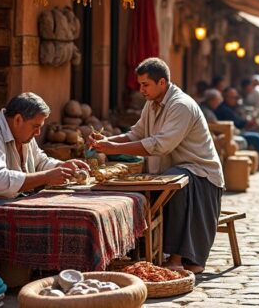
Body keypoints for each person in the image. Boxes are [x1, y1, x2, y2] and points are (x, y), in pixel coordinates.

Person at [88, 58, 224, 273]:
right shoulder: (151, 104)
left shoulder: (181, 105)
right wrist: (109, 143)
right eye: (140, 84)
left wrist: (115, 149)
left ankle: (177, 259)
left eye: (145, 84)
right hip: (173, 170)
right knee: (155, 184)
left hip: (201, 174)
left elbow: (160, 145)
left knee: (174, 181)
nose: (141, 89)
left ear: (162, 82)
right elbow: (136, 133)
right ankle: (142, 252)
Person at [0, 93, 90, 231]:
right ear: (17, 120)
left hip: (3, 201)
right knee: (38, 215)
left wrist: (61, 166)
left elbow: (40, 161)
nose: (38, 132)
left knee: (53, 205)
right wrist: (47, 176)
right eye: (35, 126)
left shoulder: (24, 135)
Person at [214, 87, 259, 167]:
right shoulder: (224, 109)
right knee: (256, 137)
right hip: (233, 134)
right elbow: (238, 124)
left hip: (238, 130)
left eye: (236, 97)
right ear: (226, 97)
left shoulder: (232, 107)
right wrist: (248, 123)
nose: (235, 99)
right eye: (233, 97)